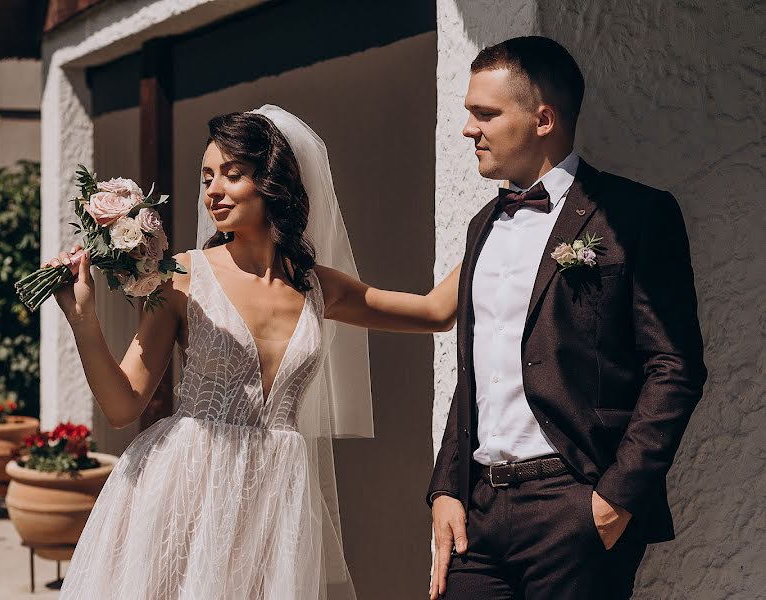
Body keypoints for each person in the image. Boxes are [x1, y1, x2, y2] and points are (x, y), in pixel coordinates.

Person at [50, 105, 462, 599]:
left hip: (276, 500)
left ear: (273, 183)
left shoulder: (317, 287)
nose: (212, 191)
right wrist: (83, 320)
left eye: (232, 174)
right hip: (187, 490)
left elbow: (437, 312)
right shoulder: (182, 276)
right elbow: (122, 405)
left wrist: (495, 219)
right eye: (206, 177)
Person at [427, 36, 707, 599]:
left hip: (573, 506)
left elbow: (674, 366)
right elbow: (479, 368)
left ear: (543, 119)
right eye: (467, 114)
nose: (467, 130)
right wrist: (445, 490)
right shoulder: (482, 224)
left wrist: (614, 499)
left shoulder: (634, 214)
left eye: (485, 114)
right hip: (479, 510)